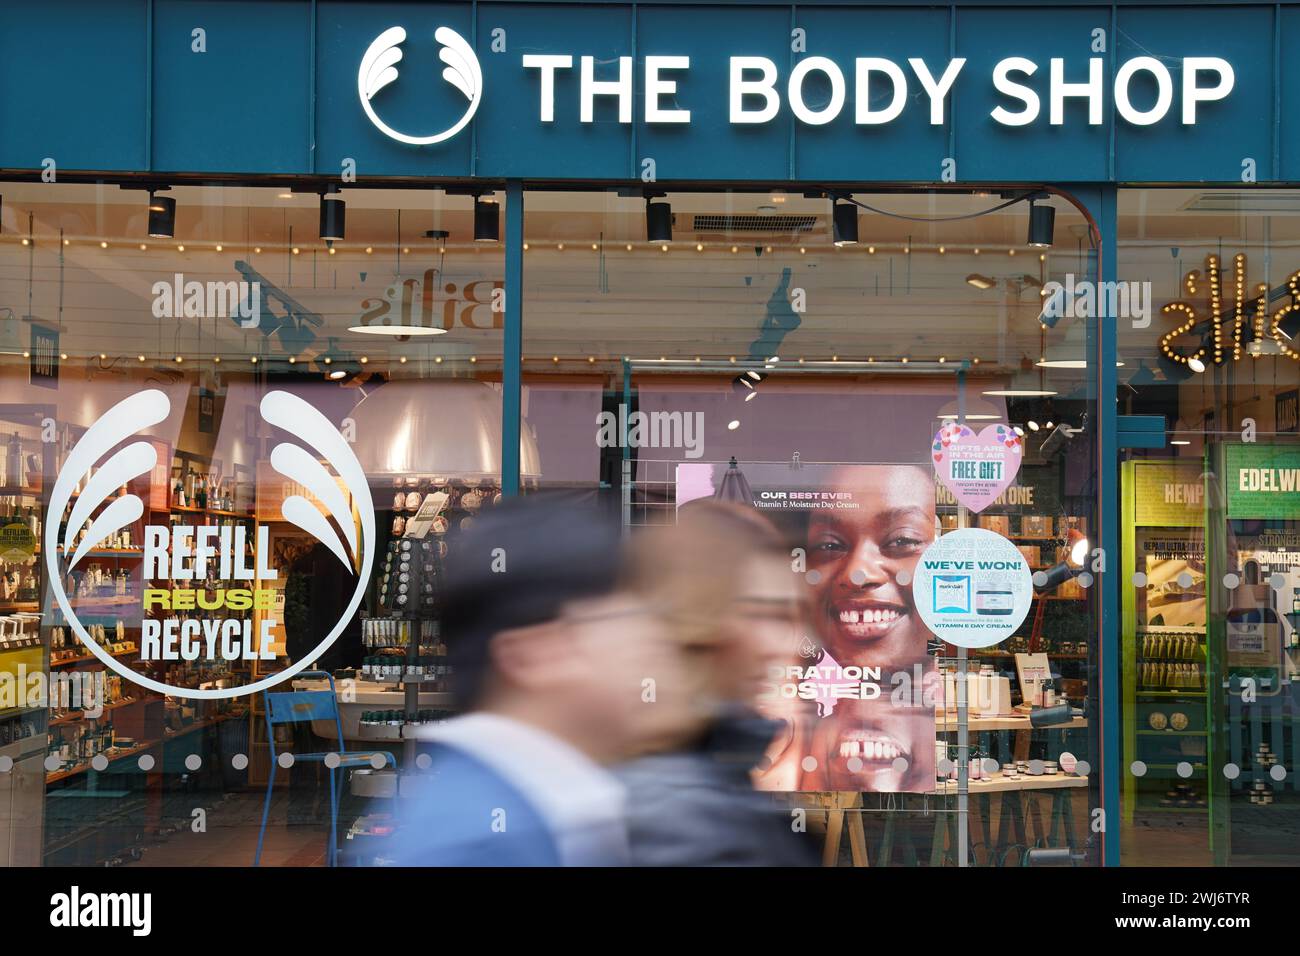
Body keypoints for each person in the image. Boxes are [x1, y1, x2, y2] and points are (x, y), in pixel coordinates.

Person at [387, 497, 693, 867]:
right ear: (533, 653)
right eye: (626, 616)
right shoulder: (480, 843)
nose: (656, 641)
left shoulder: (555, 808)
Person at [615, 501, 817, 866]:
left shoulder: (704, 773)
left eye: (788, 617)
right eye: (761, 613)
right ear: (699, 612)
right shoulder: (684, 816)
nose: (779, 645)